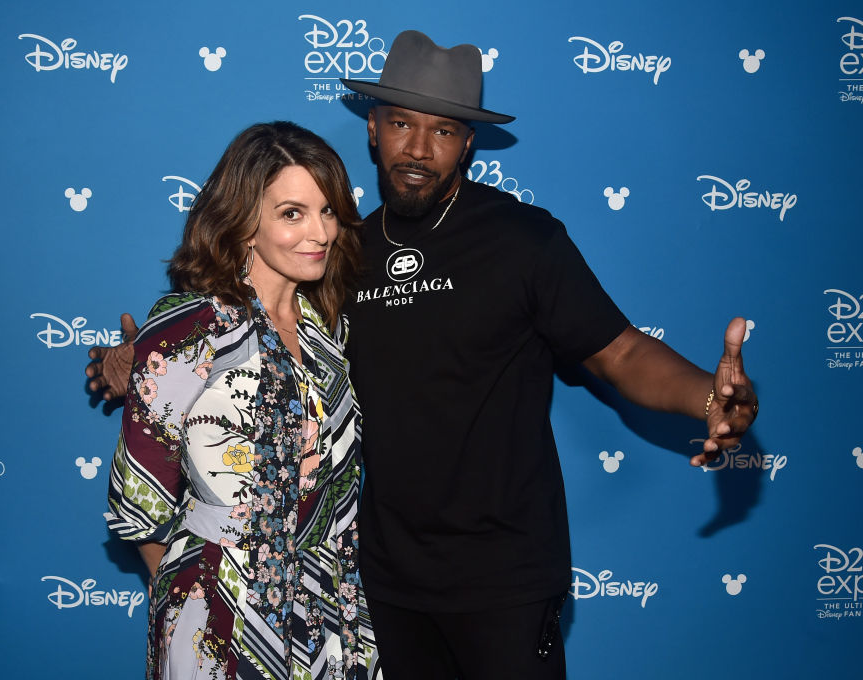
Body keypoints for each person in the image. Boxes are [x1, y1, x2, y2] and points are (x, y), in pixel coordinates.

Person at [89, 32, 757, 680]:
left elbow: (622, 351)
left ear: (468, 143)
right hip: (375, 587)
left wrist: (708, 396)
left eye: (443, 130)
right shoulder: (338, 254)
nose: (418, 147)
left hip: (503, 578)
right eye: (402, 123)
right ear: (373, 128)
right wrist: (145, 359)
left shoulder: (523, 239)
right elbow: (240, 330)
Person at [103, 121, 380, 679]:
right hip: (220, 613)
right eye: (292, 213)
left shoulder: (327, 330)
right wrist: (196, 603)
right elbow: (139, 503)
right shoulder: (194, 327)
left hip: (330, 608)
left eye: (327, 211)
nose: (319, 233)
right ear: (245, 221)